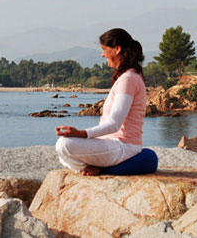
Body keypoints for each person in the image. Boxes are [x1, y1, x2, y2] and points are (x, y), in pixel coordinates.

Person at [55, 28, 146, 176]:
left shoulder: (129, 79)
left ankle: (100, 168)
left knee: (64, 145)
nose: (102, 54)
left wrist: (82, 134)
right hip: (111, 144)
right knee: (63, 150)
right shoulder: (126, 77)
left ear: (117, 49)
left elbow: (115, 124)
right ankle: (91, 167)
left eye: (104, 49)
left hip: (124, 146)